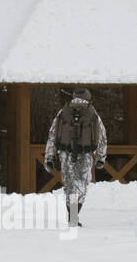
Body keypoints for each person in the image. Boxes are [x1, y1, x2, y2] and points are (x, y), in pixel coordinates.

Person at [43, 88, 107, 227]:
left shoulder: (64, 111)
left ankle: (72, 217)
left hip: (65, 153)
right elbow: (102, 135)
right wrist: (101, 157)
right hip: (86, 154)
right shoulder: (92, 112)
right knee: (81, 185)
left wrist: (48, 156)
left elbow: (52, 134)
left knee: (70, 185)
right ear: (87, 97)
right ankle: (74, 216)